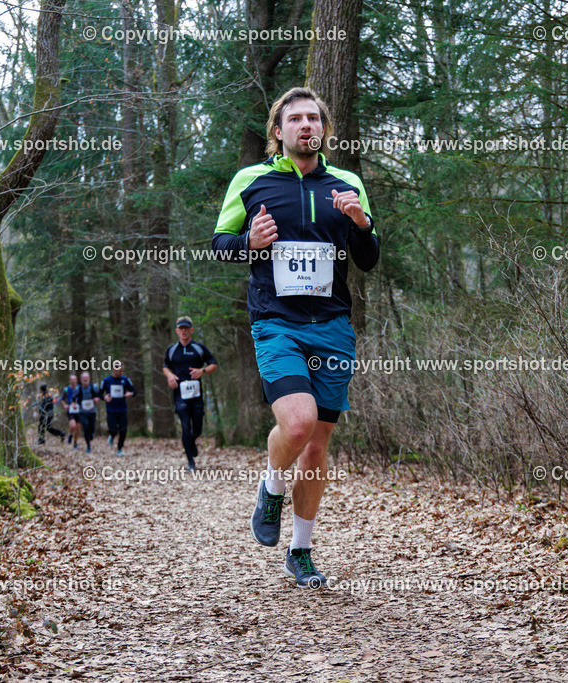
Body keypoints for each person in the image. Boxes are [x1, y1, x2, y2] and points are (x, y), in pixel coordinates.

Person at [212, 87, 379, 588]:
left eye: (314, 119)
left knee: (317, 443)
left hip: (331, 326)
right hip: (276, 321)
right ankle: (271, 484)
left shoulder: (347, 183)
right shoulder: (252, 181)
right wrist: (249, 243)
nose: (306, 126)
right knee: (299, 423)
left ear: (324, 129)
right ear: (278, 131)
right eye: (296, 119)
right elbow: (220, 245)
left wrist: (360, 223)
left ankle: (300, 550)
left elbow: (368, 258)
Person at [162, 316, 218, 471]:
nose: (184, 331)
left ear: (191, 330)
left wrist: (203, 370)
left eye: (187, 328)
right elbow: (165, 366)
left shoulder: (199, 348)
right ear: (177, 331)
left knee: (197, 429)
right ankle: (190, 462)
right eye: (181, 328)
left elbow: (213, 365)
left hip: (196, 394)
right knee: (185, 426)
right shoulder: (172, 349)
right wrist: (169, 375)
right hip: (180, 394)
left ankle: (191, 444)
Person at [101, 360, 135, 456]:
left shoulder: (125, 380)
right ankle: (111, 436)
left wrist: (130, 393)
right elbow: (99, 393)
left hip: (122, 409)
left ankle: (119, 449)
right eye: (119, 371)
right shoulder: (106, 381)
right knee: (113, 429)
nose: (121, 373)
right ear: (113, 370)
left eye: (122, 371)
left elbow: (134, 391)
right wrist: (104, 397)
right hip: (111, 409)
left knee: (123, 430)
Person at [75, 372, 100, 453]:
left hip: (92, 411)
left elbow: (99, 395)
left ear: (89, 379)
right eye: (83, 378)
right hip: (83, 411)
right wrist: (73, 404)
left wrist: (97, 398)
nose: (85, 380)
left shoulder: (94, 387)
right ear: (81, 379)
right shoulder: (78, 389)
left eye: (87, 378)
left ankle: (92, 434)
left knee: (91, 427)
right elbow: (73, 398)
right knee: (85, 427)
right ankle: (88, 446)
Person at [60, 374, 81, 448]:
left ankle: (75, 443)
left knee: (78, 428)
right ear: (69, 381)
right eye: (71, 380)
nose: (73, 381)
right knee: (73, 426)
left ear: (76, 380)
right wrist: (65, 405)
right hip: (70, 410)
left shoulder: (79, 388)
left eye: (74, 379)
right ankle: (70, 434)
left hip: (79, 410)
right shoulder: (66, 389)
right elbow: (62, 399)